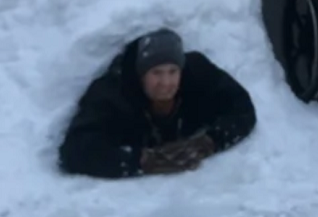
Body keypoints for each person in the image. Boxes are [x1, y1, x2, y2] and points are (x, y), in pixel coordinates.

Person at [58, 28, 256, 178]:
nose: (166, 83)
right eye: (156, 73)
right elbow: (75, 151)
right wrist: (142, 161)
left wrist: (207, 143)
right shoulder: (114, 94)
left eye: (172, 72)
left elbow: (242, 109)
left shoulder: (197, 76)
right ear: (141, 75)